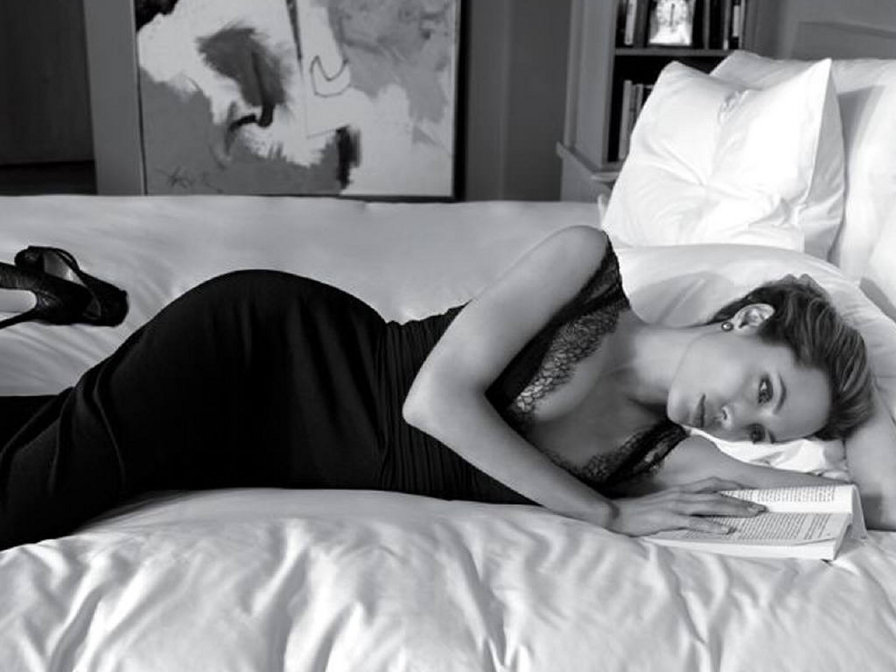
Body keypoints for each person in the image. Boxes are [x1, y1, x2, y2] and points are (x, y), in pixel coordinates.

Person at [0, 228, 893, 552]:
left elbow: (866, 506)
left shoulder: (663, 458)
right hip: (263, 352)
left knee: (48, 452)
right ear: (745, 320)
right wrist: (606, 516)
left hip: (265, 451)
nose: (741, 422)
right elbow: (433, 403)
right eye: (764, 389)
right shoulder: (585, 266)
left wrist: (864, 405)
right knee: (21, 506)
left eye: (765, 432)